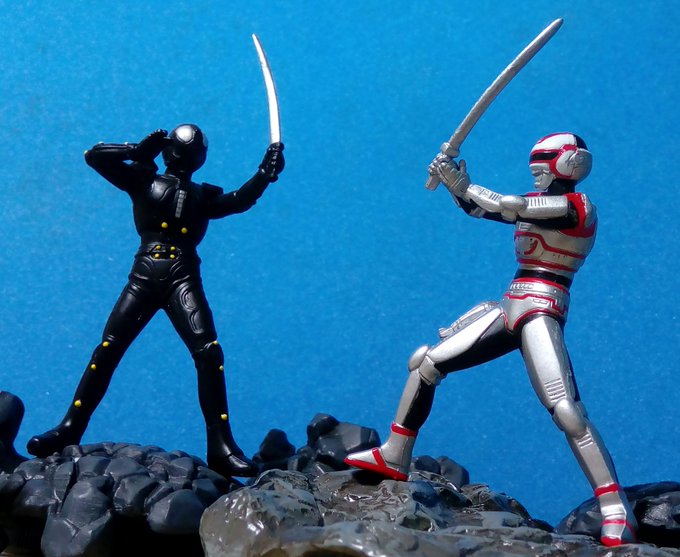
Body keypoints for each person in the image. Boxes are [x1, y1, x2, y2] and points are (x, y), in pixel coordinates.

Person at [345, 133, 637, 546]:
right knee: (426, 363)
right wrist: (454, 184)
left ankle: (614, 507)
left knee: (567, 411)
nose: (536, 169)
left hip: (541, 309)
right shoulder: (540, 204)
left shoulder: (575, 207)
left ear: (569, 162)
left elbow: (510, 205)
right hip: (510, 304)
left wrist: (465, 184)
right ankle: (395, 453)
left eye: (544, 161)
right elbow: (481, 209)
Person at [27, 125, 284, 477]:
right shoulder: (142, 180)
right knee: (109, 348)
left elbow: (238, 200)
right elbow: (94, 157)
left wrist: (264, 174)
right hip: (144, 275)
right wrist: (134, 150)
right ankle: (70, 427)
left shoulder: (202, 196)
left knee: (209, 354)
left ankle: (221, 447)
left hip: (183, 276)